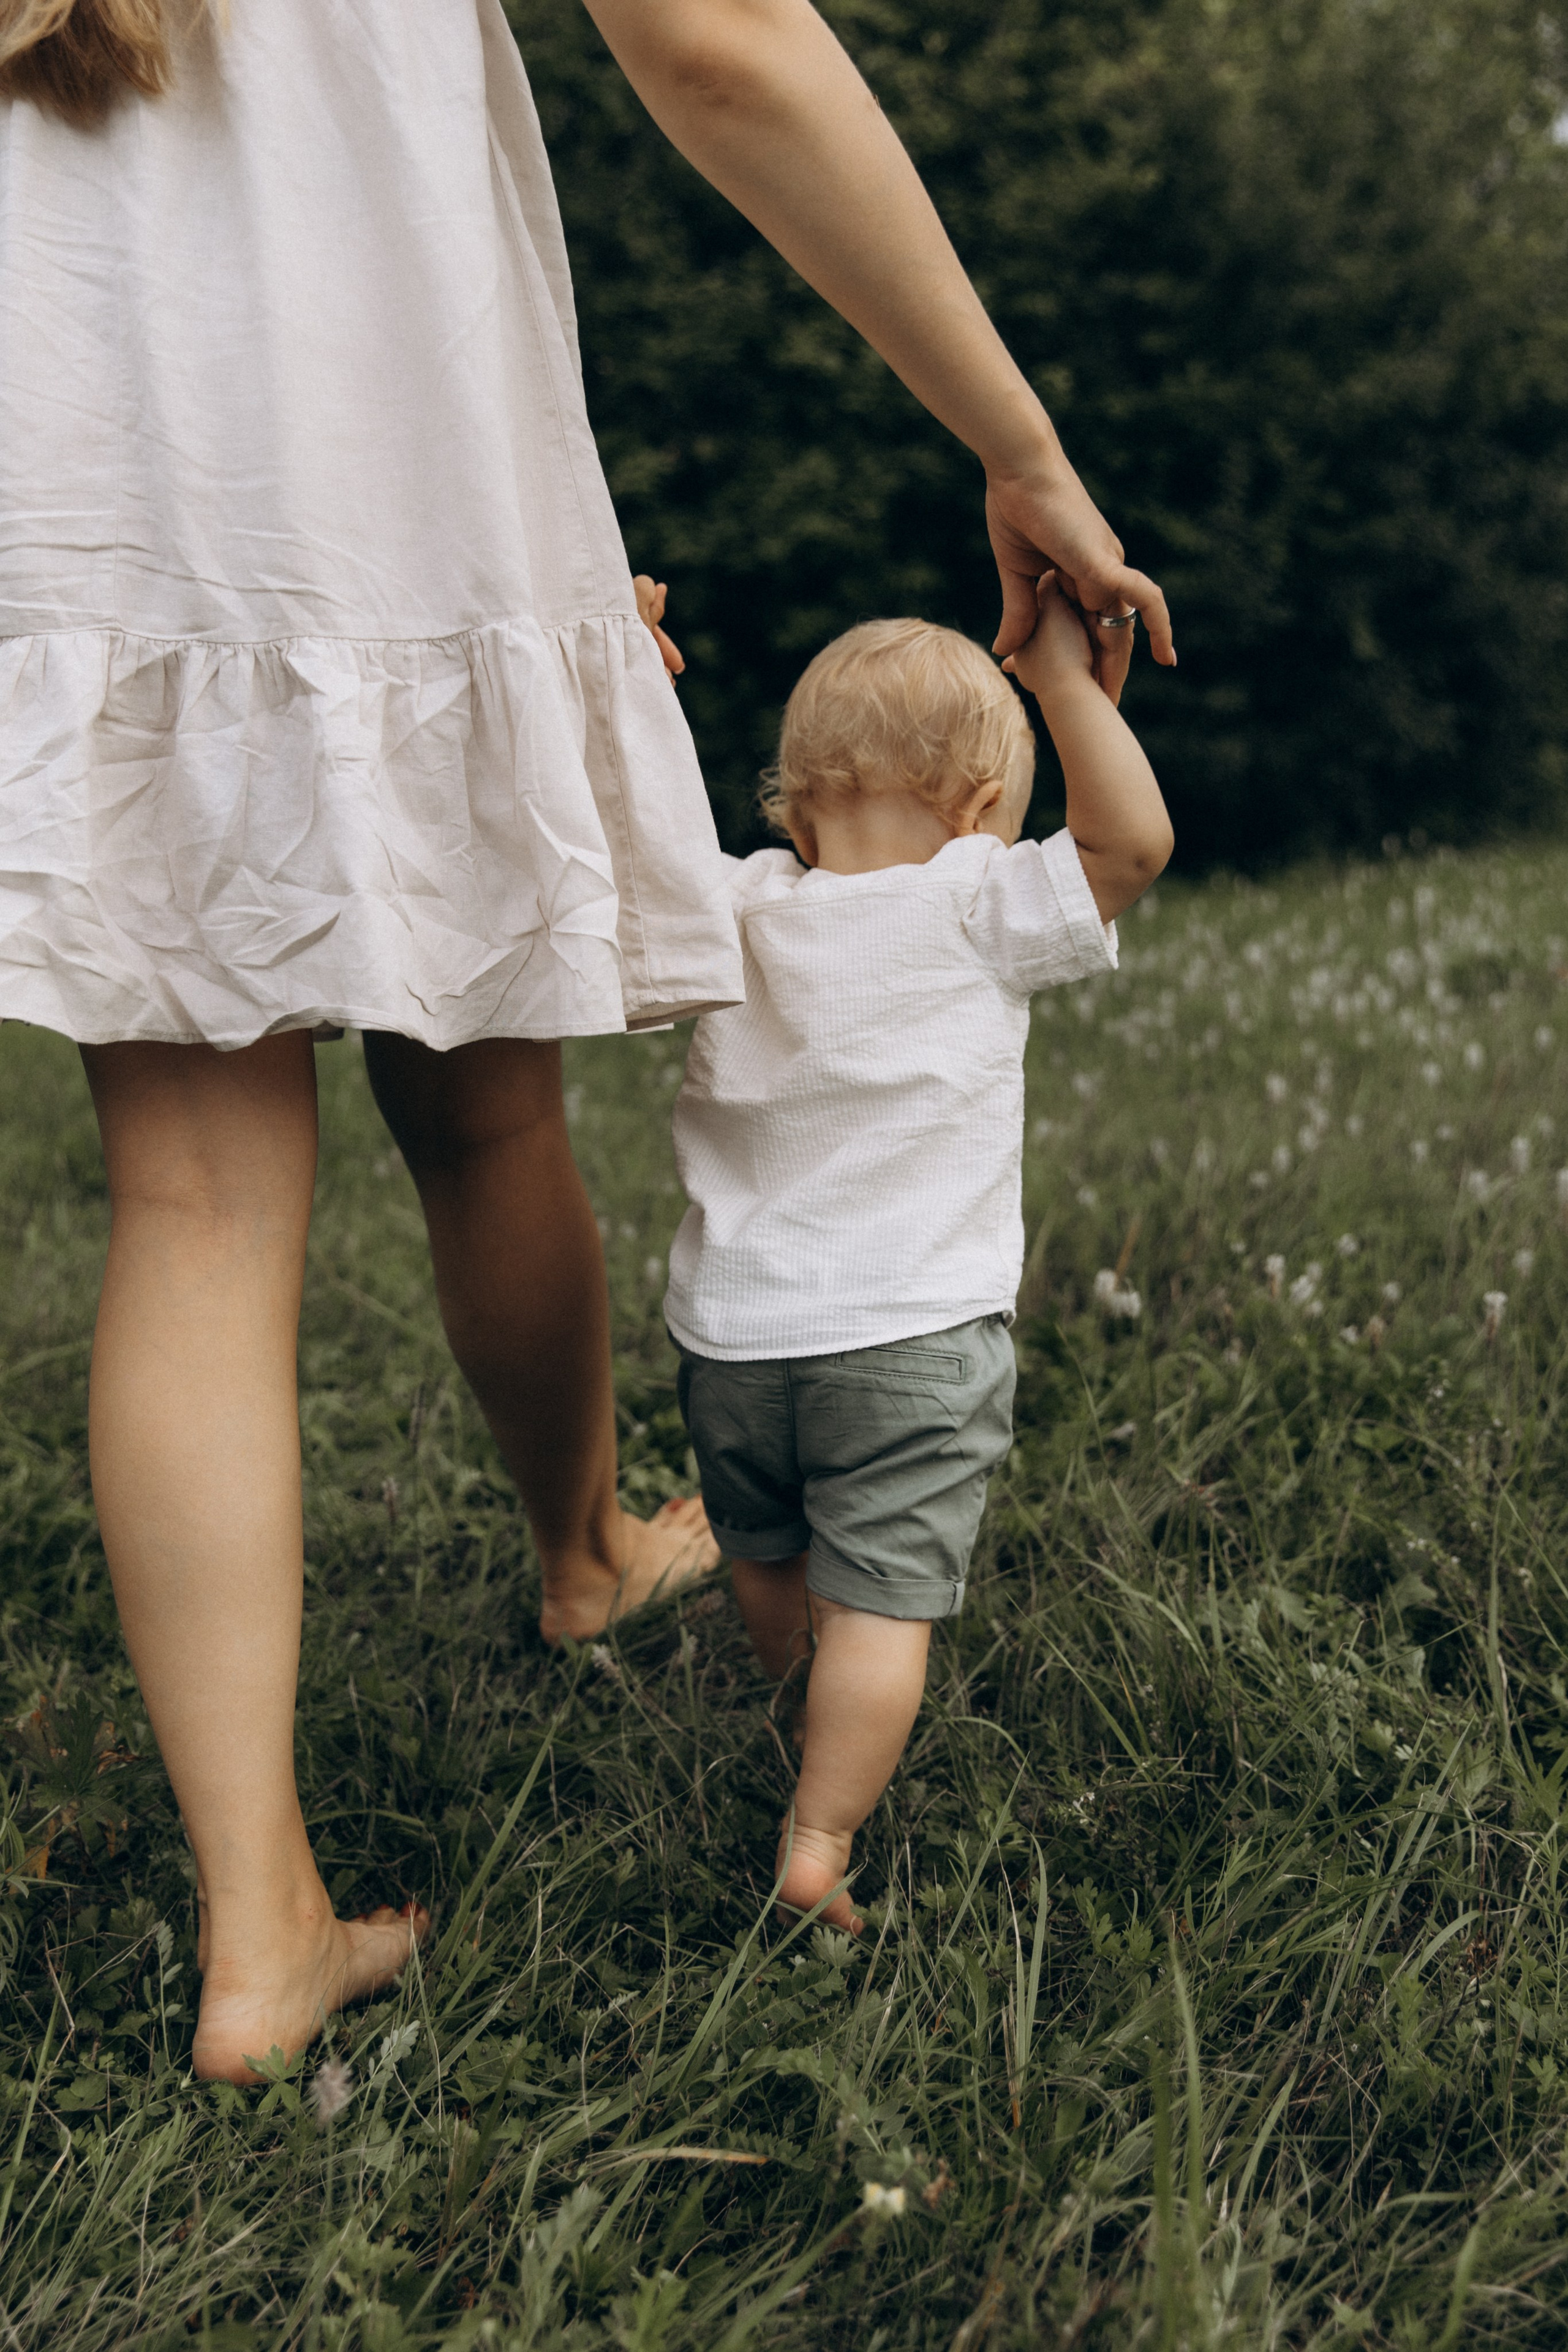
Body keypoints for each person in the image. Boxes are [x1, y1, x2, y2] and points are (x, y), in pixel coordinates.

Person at [0, 0, 1170, 2082]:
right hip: (380, 471)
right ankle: (578, 1550)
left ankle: (264, 1915)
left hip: (82, 486)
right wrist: (1019, 442)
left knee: (189, 1190)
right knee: (482, 1093)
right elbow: (720, 43)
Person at [665, 576, 1172, 1931]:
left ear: (794, 798)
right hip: (906, 1337)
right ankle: (820, 1830)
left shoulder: (737, 902)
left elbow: (616, 849)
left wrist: (633, 696)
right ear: (980, 809)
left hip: (730, 1339)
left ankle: (793, 1717)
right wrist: (1067, 684)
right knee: (882, 1602)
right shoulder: (974, 899)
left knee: (769, 1557)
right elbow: (1128, 847)